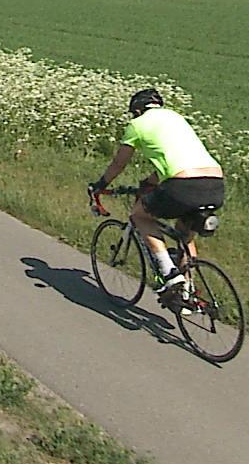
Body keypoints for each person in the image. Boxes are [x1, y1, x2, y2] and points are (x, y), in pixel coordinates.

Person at [89, 89, 225, 309]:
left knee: (140, 216)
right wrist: (150, 182)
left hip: (182, 185)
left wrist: (100, 185)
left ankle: (170, 273)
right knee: (185, 234)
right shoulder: (176, 117)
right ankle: (187, 292)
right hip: (215, 183)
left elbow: (119, 163)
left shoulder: (137, 125)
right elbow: (176, 157)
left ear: (137, 110)